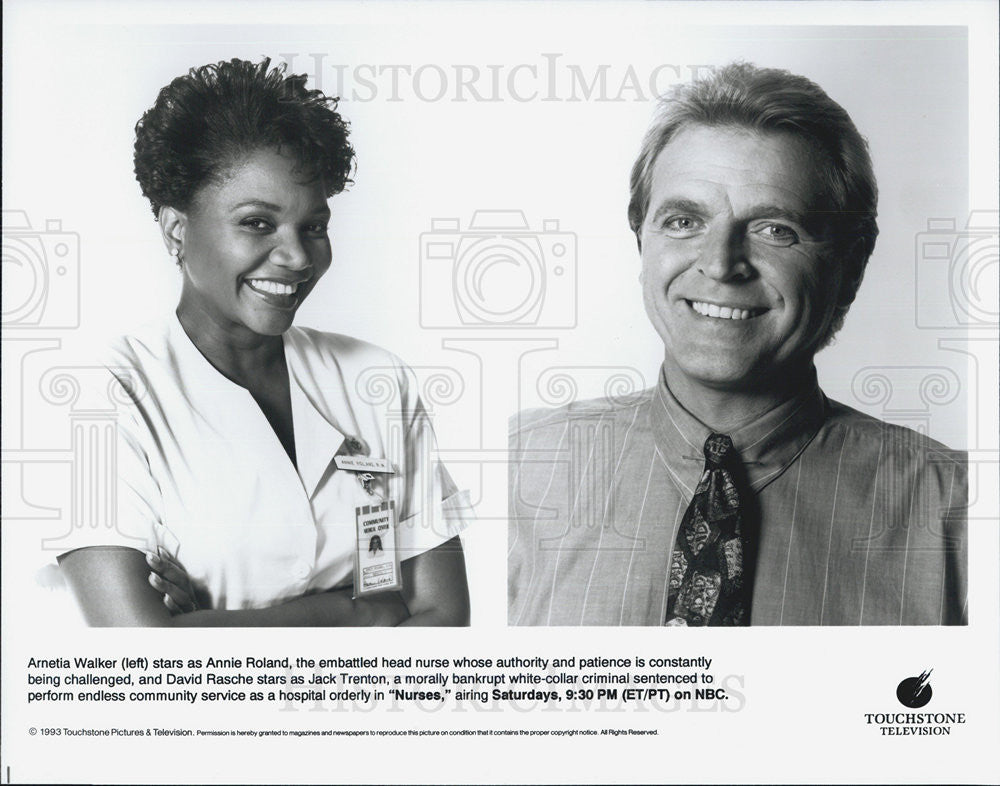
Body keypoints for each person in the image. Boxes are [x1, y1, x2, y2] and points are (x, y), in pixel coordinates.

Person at [507, 62, 967, 627]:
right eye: (682, 221)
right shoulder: (518, 467)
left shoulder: (959, 511)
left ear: (850, 264)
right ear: (641, 240)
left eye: (776, 229)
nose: (721, 264)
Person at [57, 58, 471, 626]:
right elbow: (138, 662)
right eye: (257, 222)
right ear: (177, 230)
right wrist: (365, 611)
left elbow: (443, 620)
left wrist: (207, 624)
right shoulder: (105, 394)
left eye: (315, 226)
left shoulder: (376, 380)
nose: (298, 257)